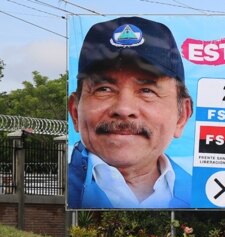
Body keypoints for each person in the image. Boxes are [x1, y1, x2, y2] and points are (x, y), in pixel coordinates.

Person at [68, 16, 193, 209]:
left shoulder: (207, 197)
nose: (124, 109)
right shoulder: (61, 191)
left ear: (181, 117)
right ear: (75, 112)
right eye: (104, 89)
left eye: (147, 91)